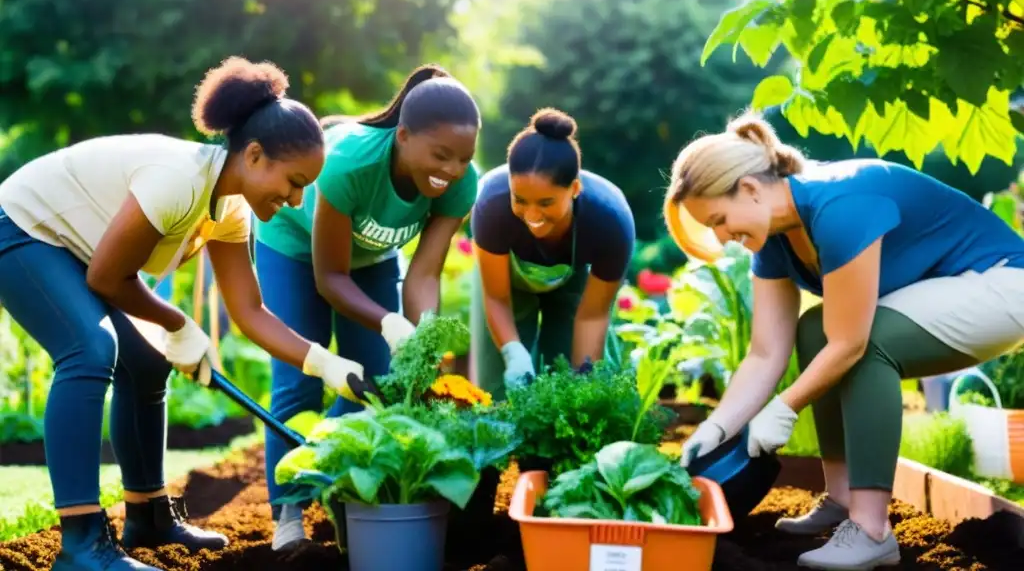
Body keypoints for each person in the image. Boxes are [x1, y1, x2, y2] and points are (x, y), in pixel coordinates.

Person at [0, 57, 372, 571]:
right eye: (293, 181)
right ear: (256, 154)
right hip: (23, 228)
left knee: (148, 364)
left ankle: (148, 514)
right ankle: (82, 543)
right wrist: (176, 323)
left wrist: (325, 364)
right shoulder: (179, 179)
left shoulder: (232, 208)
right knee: (89, 349)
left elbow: (249, 309)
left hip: (75, 249)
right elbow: (107, 278)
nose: (295, 199)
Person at [666, 112, 1024, 571]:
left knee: (868, 343)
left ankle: (872, 529)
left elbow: (852, 344)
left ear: (751, 190)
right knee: (815, 330)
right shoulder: (773, 239)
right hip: (948, 293)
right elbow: (765, 352)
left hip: (1002, 284)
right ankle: (841, 498)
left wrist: (784, 408)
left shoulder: (838, 206)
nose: (721, 237)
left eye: (718, 219)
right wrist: (716, 427)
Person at [252, 63, 481, 550]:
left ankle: (337, 484)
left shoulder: (462, 183)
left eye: (464, 158)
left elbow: (425, 272)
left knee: (375, 383)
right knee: (301, 374)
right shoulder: (351, 163)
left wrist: (419, 336)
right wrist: (389, 320)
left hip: (372, 259)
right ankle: (289, 510)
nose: (451, 171)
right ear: (402, 137)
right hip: (293, 246)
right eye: (441, 155)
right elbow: (329, 278)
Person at [469, 108, 636, 400]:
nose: (532, 215)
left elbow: (592, 316)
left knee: (565, 379)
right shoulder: (491, 206)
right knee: (495, 391)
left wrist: (583, 378)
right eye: (520, 200)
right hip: (506, 282)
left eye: (546, 203)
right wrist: (513, 352)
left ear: (574, 188)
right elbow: (496, 298)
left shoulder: (610, 220)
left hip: (573, 282)